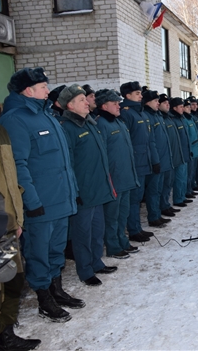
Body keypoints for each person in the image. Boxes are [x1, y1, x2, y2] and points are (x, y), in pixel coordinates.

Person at [0, 67, 82, 323]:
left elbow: (63, 162)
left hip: (60, 200)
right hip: (41, 205)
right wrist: (31, 202)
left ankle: (56, 290)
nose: (48, 90)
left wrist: (72, 192)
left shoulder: (46, 115)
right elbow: (18, 165)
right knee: (38, 253)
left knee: (56, 250)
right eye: (44, 86)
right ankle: (44, 299)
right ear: (28, 90)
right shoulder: (16, 119)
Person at [0, 80, 42, 351]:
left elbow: (11, 178)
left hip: (7, 224)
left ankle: (5, 334)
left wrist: (18, 217)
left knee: (11, 282)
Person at [57, 84, 117, 286]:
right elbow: (68, 163)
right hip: (83, 191)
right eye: (81, 100)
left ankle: (96, 262)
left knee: (97, 230)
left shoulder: (90, 123)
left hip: (98, 188)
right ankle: (85, 270)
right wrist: (75, 191)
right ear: (70, 105)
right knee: (82, 233)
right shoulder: (67, 127)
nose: (87, 102)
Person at [94, 89, 141, 259]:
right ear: (104, 106)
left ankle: (122, 240)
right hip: (114, 179)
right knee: (111, 216)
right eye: (114, 103)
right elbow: (102, 155)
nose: (118, 106)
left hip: (126, 177)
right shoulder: (101, 124)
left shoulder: (119, 122)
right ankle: (113, 246)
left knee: (123, 214)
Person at [119, 81, 157, 243]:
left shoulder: (139, 112)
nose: (141, 96)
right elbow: (125, 142)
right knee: (134, 199)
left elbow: (148, 140)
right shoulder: (126, 113)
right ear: (128, 96)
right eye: (137, 94)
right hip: (135, 163)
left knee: (138, 198)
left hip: (144, 161)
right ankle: (133, 230)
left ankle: (137, 228)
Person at [141, 88, 173, 227]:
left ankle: (158, 213)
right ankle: (153, 216)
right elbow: (150, 141)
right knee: (153, 190)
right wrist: (155, 160)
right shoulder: (147, 116)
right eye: (155, 101)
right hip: (155, 160)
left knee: (159, 188)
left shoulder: (157, 115)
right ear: (148, 102)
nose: (157, 103)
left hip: (163, 158)